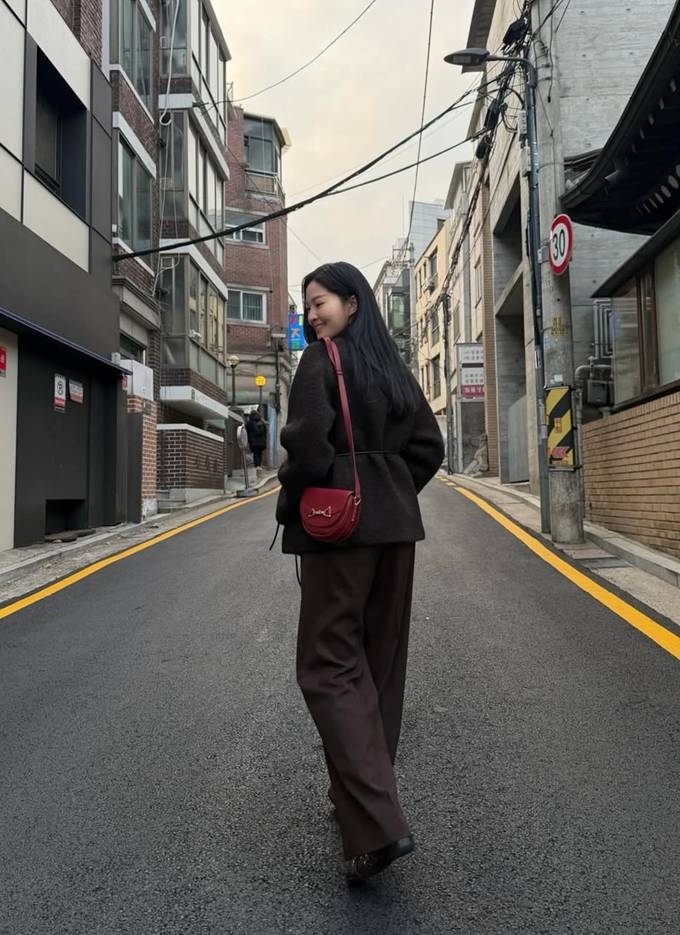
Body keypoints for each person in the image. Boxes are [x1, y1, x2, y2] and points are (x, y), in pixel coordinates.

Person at [275, 261, 444, 883]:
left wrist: (294, 504)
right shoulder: (391, 365)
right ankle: (361, 802)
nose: (312, 315)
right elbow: (428, 448)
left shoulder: (321, 362)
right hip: (395, 533)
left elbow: (307, 449)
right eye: (308, 306)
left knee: (328, 666)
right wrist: (387, 491)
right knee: (379, 667)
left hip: (341, 535)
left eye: (320, 302)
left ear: (352, 302)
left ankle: (375, 825)